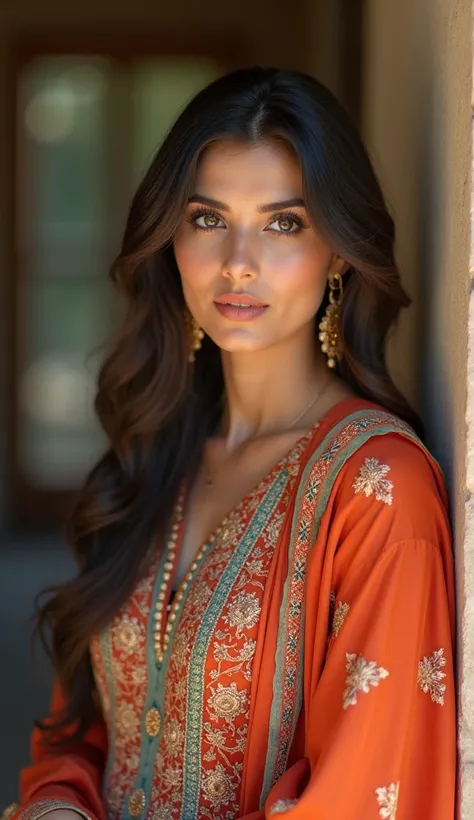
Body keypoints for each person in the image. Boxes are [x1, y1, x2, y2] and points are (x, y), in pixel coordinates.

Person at [3, 67, 455, 820]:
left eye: (284, 223)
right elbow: (81, 735)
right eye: (207, 218)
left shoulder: (377, 491)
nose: (238, 261)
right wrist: (58, 806)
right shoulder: (152, 456)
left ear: (339, 252)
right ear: (170, 237)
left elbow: (363, 798)